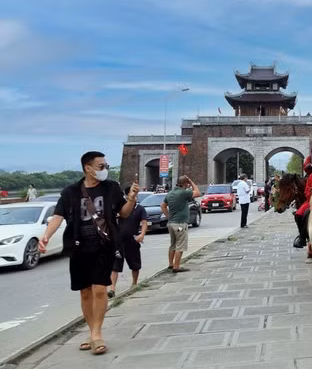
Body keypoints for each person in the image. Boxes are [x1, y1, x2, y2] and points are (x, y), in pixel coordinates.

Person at [39, 151, 139, 355]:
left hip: (105, 245)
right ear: (88, 168)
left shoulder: (111, 187)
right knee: (85, 292)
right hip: (78, 246)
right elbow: (58, 216)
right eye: (101, 166)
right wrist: (46, 236)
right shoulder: (71, 192)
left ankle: (96, 334)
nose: (105, 170)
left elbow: (124, 212)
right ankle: (91, 331)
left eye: (106, 166)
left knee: (100, 289)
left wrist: (131, 199)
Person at [109, 186, 147, 298]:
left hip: (132, 240)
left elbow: (144, 222)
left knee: (135, 264)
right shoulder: (122, 207)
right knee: (115, 265)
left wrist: (142, 234)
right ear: (126, 195)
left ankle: (134, 283)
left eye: (135, 194)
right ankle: (112, 289)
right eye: (130, 194)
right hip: (118, 240)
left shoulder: (140, 209)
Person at [161, 175, 201, 273]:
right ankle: (176, 266)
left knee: (173, 244)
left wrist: (167, 215)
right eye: (187, 183)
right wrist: (191, 181)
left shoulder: (170, 193)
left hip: (171, 224)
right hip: (180, 224)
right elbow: (198, 192)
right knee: (180, 245)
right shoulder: (184, 193)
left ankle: (170, 264)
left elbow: (163, 205)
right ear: (185, 184)